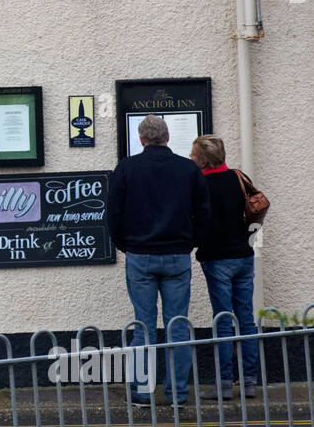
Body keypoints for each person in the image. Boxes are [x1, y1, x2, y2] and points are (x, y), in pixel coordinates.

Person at [108, 115, 211, 406]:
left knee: (144, 324)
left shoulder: (127, 168)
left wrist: (123, 245)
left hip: (140, 255)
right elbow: (203, 213)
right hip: (177, 255)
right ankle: (177, 392)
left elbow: (113, 213)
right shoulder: (188, 169)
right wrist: (192, 242)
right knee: (177, 324)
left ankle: (142, 391)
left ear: (141, 139)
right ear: (167, 138)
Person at [190, 135, 258, 400]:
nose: (190, 159)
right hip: (243, 255)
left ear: (203, 160)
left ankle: (224, 383)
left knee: (222, 321)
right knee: (246, 319)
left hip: (217, 258)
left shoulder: (201, 185)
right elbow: (255, 207)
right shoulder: (238, 177)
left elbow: (198, 222)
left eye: (193, 155)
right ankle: (250, 381)